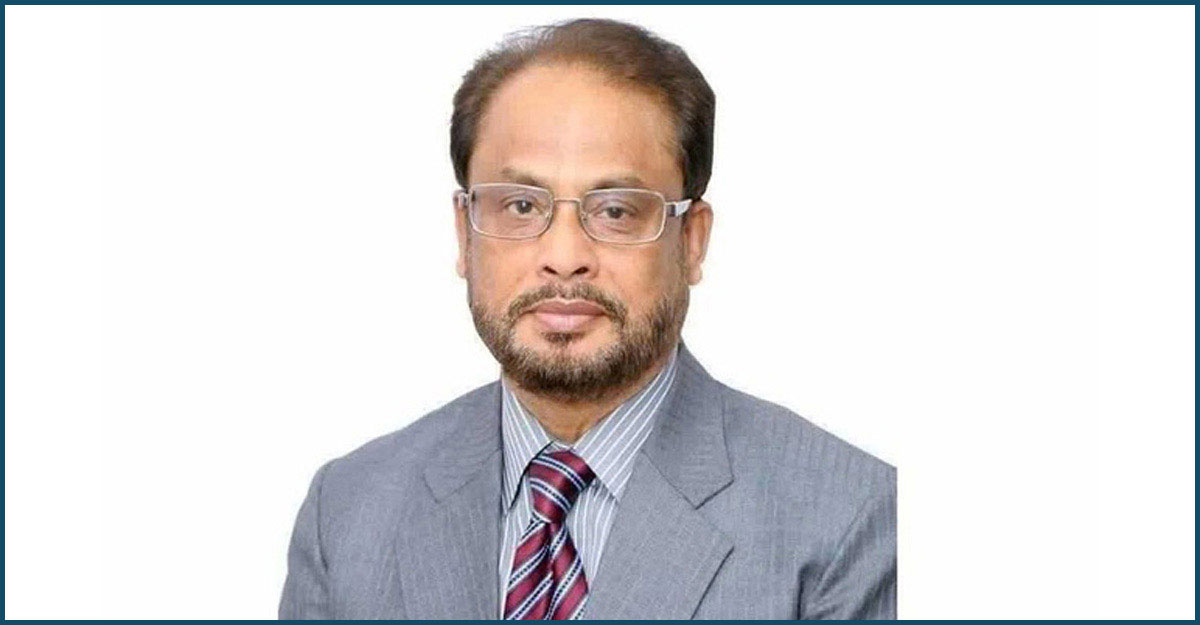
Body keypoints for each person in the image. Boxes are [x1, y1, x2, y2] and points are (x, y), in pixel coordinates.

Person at [279, 17, 896, 620]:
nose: (565, 256)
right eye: (521, 206)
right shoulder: (348, 511)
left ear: (692, 242)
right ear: (465, 235)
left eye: (616, 211)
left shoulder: (850, 519)